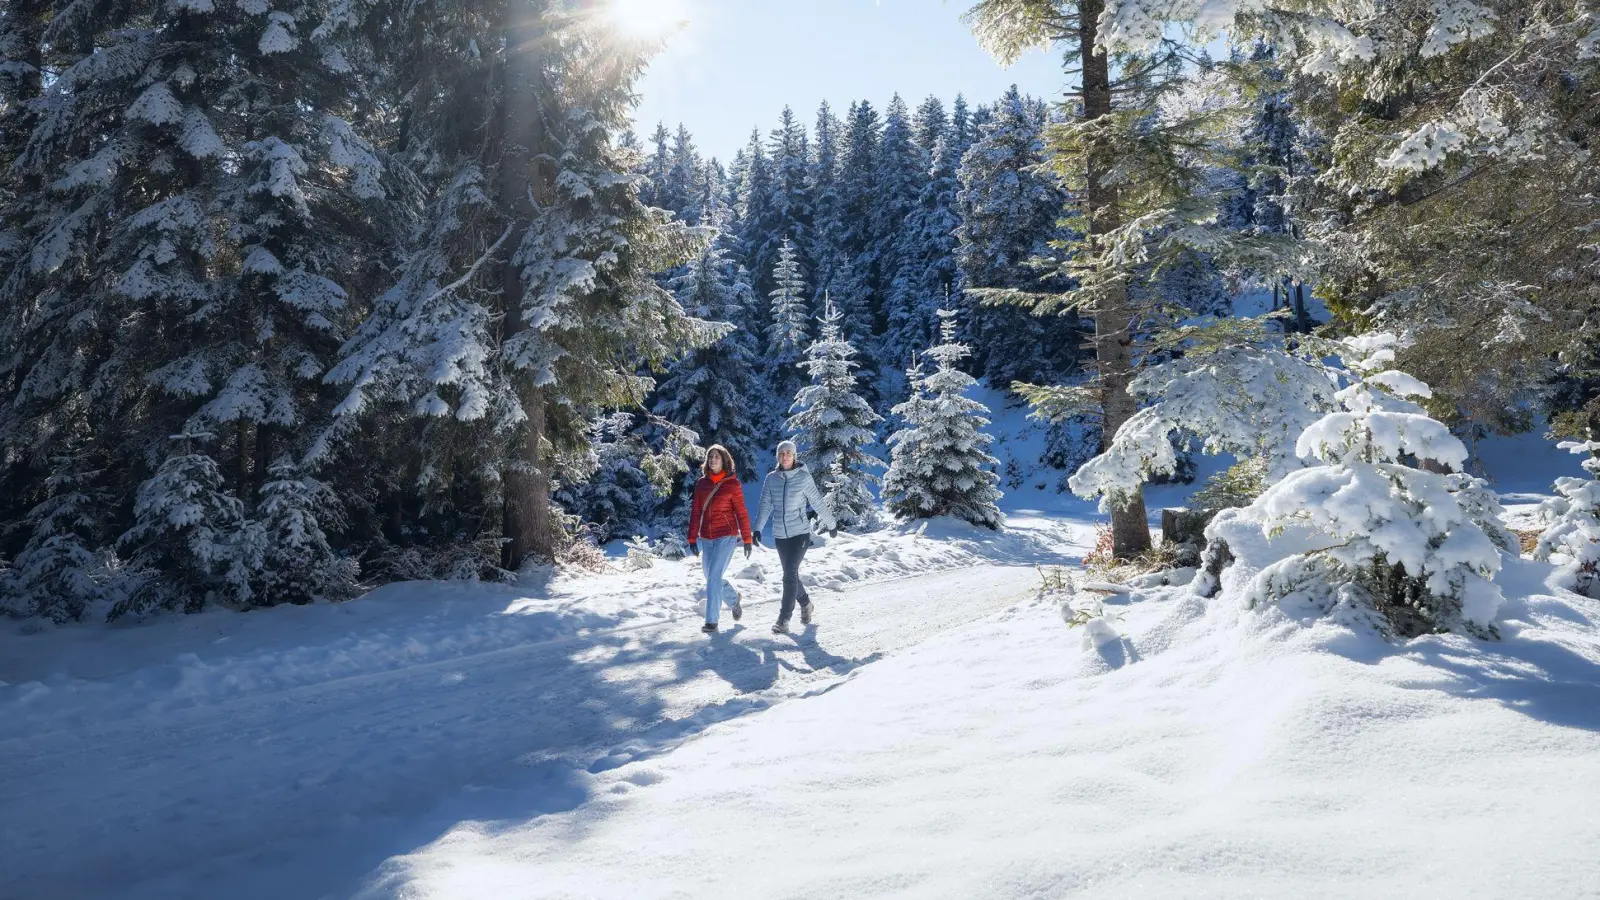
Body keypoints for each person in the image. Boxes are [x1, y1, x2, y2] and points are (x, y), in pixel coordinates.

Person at [753, 440, 837, 634]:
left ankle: (784, 619)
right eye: (781, 453)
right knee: (790, 575)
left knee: (789, 573)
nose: (785, 456)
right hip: (780, 535)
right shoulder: (771, 479)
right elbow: (765, 504)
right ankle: (806, 604)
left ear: (794, 456)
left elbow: (817, 501)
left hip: (800, 534)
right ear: (778, 456)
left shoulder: (803, 477)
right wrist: (757, 528)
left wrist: (831, 523)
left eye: (788, 453)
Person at [687, 444, 753, 634]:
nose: (713, 460)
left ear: (724, 461)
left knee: (714, 577)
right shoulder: (702, 484)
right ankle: (733, 599)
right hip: (707, 538)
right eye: (710, 457)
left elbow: (741, 513)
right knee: (710, 576)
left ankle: (711, 621)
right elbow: (696, 511)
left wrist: (747, 539)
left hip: (726, 536)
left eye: (717, 457)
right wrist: (692, 538)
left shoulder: (733, 484)